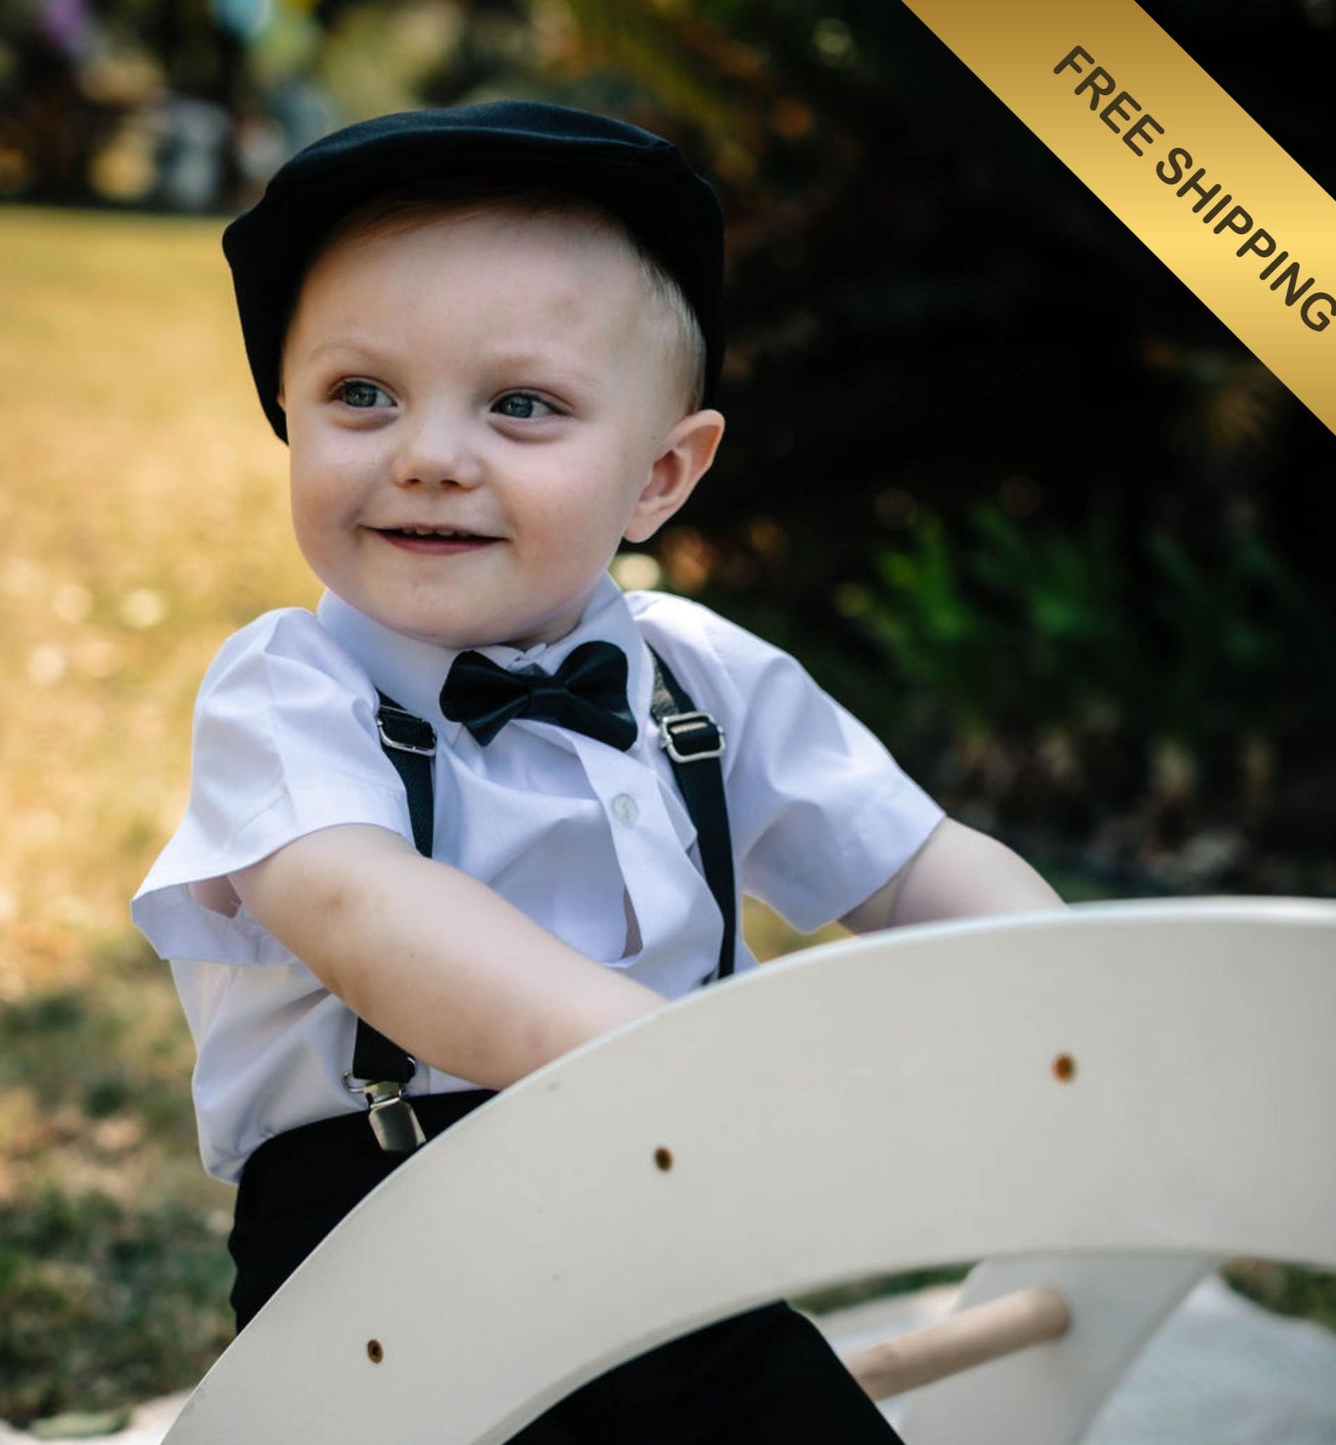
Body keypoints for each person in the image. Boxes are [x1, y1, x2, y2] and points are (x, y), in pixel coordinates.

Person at [132, 99, 1063, 1442]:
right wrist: (673, 1067)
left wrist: (1071, 1006)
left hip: (675, 1233)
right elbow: (371, 916)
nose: (428, 453)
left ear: (659, 475)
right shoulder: (290, 691)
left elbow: (915, 864)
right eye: (359, 394)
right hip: (388, 1258)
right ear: (288, 414)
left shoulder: (701, 673)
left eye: (520, 405)